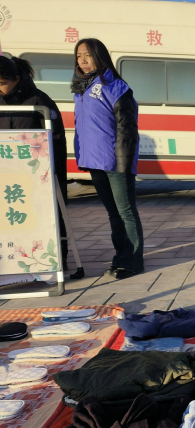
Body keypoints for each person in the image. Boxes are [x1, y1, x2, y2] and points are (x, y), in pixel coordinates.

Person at [72, 38, 144, 280]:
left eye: (87, 55)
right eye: (79, 55)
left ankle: (133, 262)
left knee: (126, 212)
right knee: (113, 213)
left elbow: (127, 128)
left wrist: (124, 162)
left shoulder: (116, 87)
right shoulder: (81, 89)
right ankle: (120, 257)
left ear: (99, 56)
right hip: (95, 161)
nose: (82, 60)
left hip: (115, 160)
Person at [0, 56, 69, 271]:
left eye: (2, 83)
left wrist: (47, 169)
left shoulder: (39, 100)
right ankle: (10, 265)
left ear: (16, 78)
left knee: (44, 216)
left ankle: (55, 263)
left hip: (35, 176)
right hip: (5, 175)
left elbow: (56, 138)